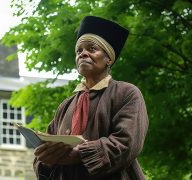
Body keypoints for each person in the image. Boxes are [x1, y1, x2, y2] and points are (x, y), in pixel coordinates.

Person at [33, 16, 149, 179]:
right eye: (79, 51)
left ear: (108, 58)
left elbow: (126, 143)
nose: (83, 54)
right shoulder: (65, 106)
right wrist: (46, 159)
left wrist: (79, 154)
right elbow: (45, 153)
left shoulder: (127, 93)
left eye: (92, 49)